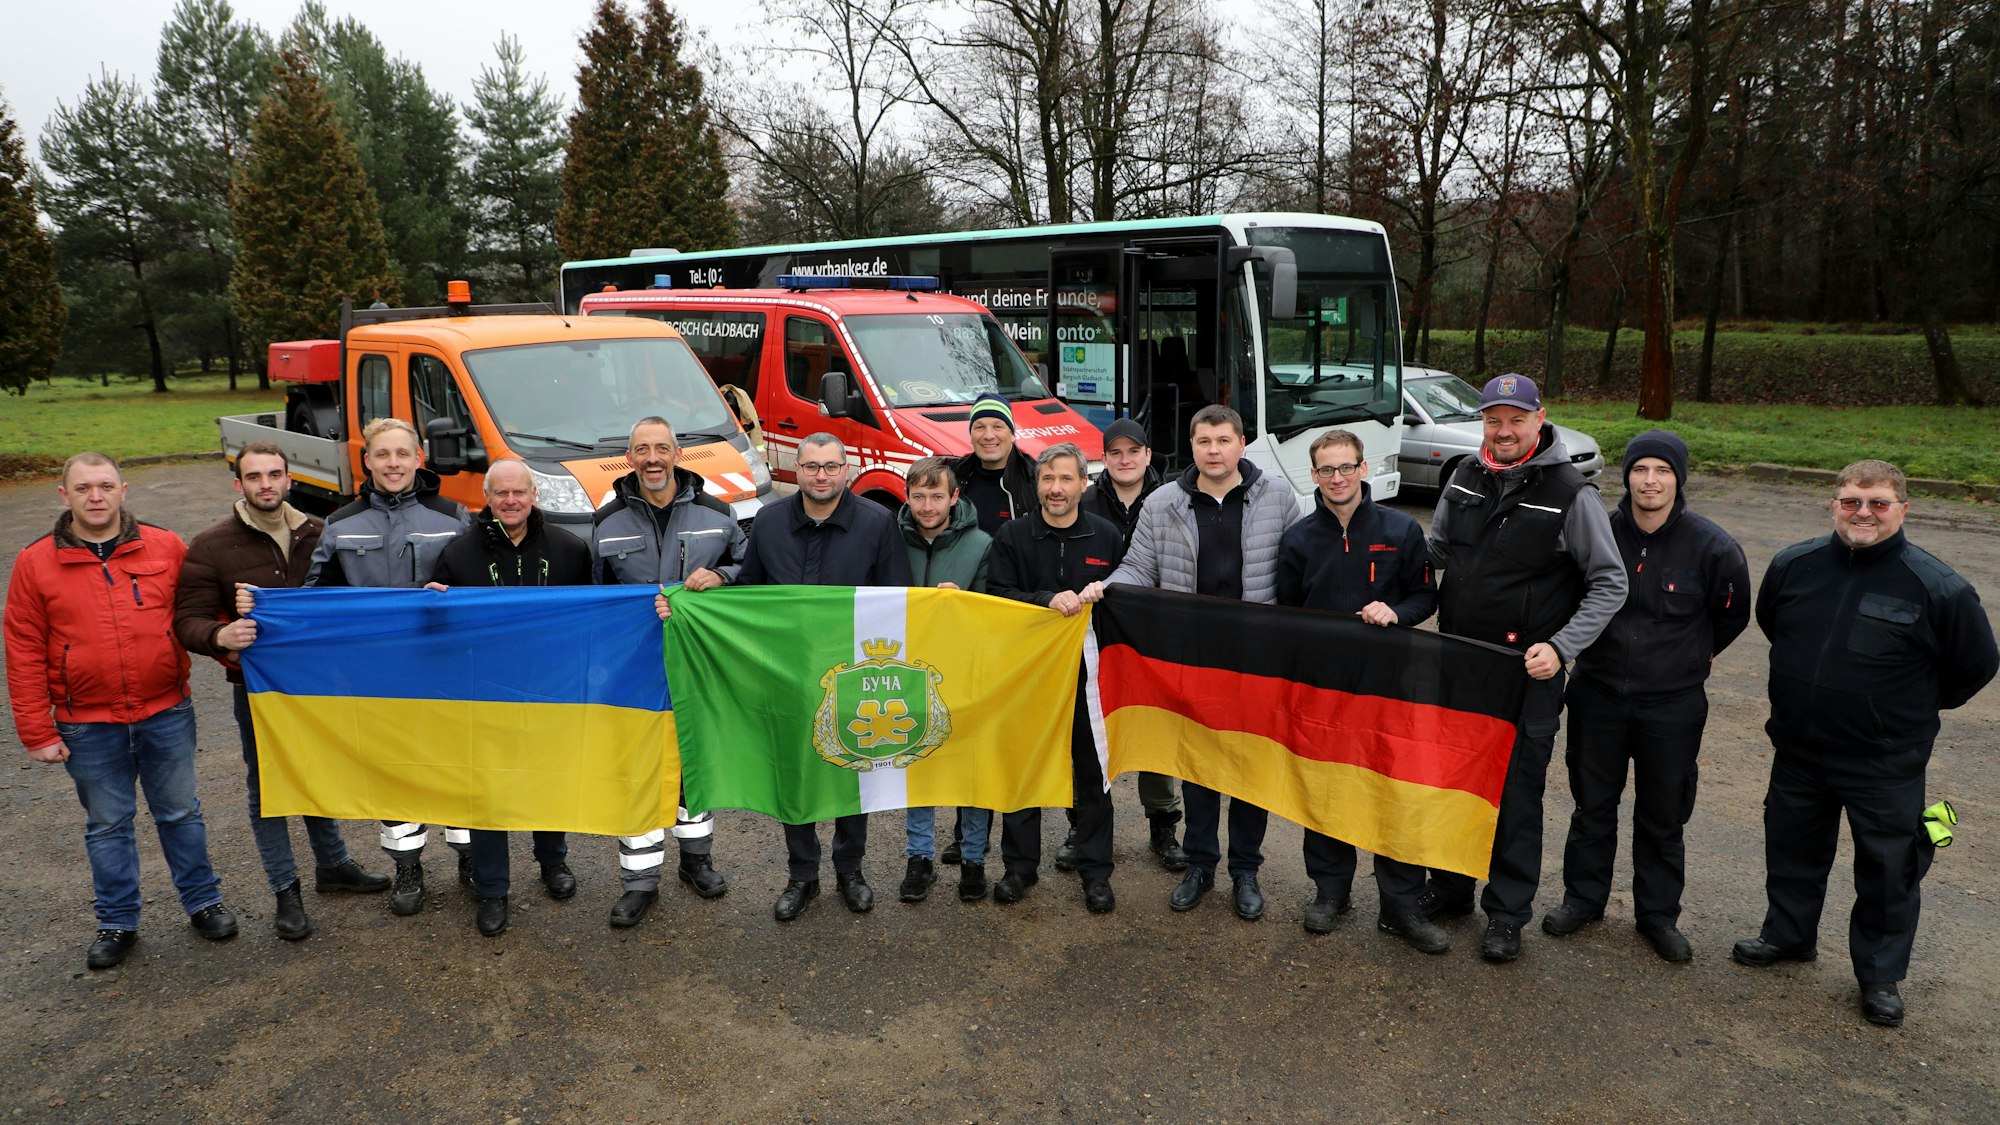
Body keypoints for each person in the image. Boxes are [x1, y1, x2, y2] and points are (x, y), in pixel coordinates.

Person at [1734, 460, 1997, 1027]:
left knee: (1888, 868)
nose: (1864, 513)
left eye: (1878, 503)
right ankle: (1789, 935)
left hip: (1885, 759)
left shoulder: (1938, 587)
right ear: (1833, 504)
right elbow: (1774, 624)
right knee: (1792, 849)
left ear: (1903, 509)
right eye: (1852, 500)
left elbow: (1976, 665)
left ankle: (1878, 975)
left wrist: (1899, 711)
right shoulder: (1793, 566)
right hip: (1800, 749)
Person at [1423, 374, 1627, 962]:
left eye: (1516, 419)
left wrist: (1562, 648)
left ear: (1540, 419)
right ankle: (1453, 887)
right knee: (1456, 783)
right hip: (1459, 663)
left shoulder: (1571, 492)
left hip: (1527, 673)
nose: (1504, 430)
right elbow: (1435, 554)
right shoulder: (1462, 476)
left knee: (1515, 795)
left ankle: (1507, 912)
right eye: (1494, 419)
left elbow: (1609, 581)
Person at [6, 452, 237, 971]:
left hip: (165, 711)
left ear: (123, 490)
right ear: (63, 496)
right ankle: (117, 921)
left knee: (181, 813)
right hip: (87, 722)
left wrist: (230, 646)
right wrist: (36, 729)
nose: (96, 496)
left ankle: (203, 903)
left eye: (105, 486)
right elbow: (21, 648)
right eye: (83, 488)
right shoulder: (35, 562)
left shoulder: (166, 546)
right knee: (108, 824)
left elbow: (198, 611)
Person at [1086, 405, 1298, 921]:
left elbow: (1300, 564)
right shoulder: (1164, 503)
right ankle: (1201, 865)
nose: (1214, 450)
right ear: (1192, 446)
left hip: (1255, 660)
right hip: (1193, 659)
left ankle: (1245, 870)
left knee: (1250, 767)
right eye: (1204, 441)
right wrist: (1105, 587)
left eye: (1224, 440)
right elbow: (1138, 565)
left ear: (1242, 443)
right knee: (1199, 766)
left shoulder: (1278, 496)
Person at [1546, 431, 1751, 963]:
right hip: (1599, 694)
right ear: (1627, 476)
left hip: (1672, 705)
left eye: (1662, 470)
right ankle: (1583, 900)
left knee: (1663, 814)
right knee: (1593, 806)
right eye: (1641, 470)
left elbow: (1732, 614)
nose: (1651, 481)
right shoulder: (1600, 531)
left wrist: (1693, 655)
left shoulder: (1712, 546)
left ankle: (1657, 916)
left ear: (1678, 478)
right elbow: (1567, 595)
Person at [174, 442, 389, 942]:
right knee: (268, 786)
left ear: (289, 479)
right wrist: (219, 636)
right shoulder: (211, 546)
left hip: (320, 686)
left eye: (274, 475)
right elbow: (188, 620)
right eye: (254, 477)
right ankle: (284, 889)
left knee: (317, 772)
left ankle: (333, 864)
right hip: (258, 690)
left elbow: (350, 599)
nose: (265, 484)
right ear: (239, 484)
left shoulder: (323, 532)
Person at [722, 433, 912, 921]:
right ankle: (801, 875)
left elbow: (897, 601)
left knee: (851, 772)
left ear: (846, 470)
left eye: (830, 467)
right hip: (785, 672)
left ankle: (851, 870)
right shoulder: (768, 522)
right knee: (794, 774)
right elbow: (750, 594)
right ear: (797, 470)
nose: (821, 476)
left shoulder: (878, 523)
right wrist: (710, 587)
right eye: (811, 467)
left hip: (852, 674)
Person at [1274, 430, 1439, 946]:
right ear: (1314, 476)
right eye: (1326, 470)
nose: (1337, 478)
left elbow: (1425, 597)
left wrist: (1398, 611)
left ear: (1364, 469)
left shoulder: (1402, 530)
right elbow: (1287, 614)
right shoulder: (1299, 539)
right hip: (1325, 690)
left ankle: (1401, 904)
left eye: (1346, 467)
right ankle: (1331, 891)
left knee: (1394, 790)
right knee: (1328, 789)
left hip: (1390, 685)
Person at [302, 417, 472, 916]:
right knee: (394, 770)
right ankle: (408, 866)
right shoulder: (341, 523)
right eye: (383, 455)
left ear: (419, 458)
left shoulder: (454, 514)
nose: (393, 464)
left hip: (443, 668)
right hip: (377, 675)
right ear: (367, 461)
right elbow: (317, 597)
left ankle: (468, 858)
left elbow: (475, 589)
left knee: (454, 763)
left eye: (402, 454)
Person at [426, 459, 593, 937]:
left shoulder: (569, 549)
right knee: (490, 792)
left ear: (534, 494)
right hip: (486, 695)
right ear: (488, 498)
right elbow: (438, 628)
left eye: (519, 492)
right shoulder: (458, 555)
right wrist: (433, 603)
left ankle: (552, 863)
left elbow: (592, 617)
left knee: (548, 780)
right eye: (501, 494)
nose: (511, 501)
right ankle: (492, 887)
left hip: (551, 691)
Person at [590, 416, 744, 927]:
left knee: (692, 763)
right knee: (638, 770)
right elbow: (594, 598)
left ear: (677, 454)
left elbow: (751, 572)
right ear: (629, 458)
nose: (652, 458)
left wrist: (722, 575)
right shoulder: (606, 522)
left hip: (699, 665)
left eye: (661, 448)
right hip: (634, 669)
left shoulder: (718, 515)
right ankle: (639, 882)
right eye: (641, 449)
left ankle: (696, 862)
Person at [988, 443, 1127, 913]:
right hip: (1028, 677)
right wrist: (1045, 598)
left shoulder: (1107, 536)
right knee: (1024, 772)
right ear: (1037, 485)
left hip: (1089, 677)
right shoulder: (1012, 536)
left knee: (1092, 776)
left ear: (1083, 485)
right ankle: (1018, 869)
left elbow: (1125, 596)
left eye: (1066, 479)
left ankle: (1096, 872)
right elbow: (998, 596)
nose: (1056, 489)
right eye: (1048, 480)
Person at [1079, 418, 1184, 872]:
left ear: (1147, 454)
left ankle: (1162, 824)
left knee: (1152, 731)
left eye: (1133, 451)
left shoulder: (1173, 501)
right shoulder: (1082, 502)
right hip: (1093, 635)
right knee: (1088, 733)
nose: (1125, 460)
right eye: (1115, 453)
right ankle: (1080, 824)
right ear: (1104, 458)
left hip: (1152, 635)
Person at [894, 456, 995, 904]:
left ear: (955, 497)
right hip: (909, 671)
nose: (928, 505)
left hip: (966, 671)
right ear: (907, 496)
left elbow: (996, 606)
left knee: (969, 764)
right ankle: (920, 856)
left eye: (937, 495)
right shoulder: (891, 540)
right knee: (917, 761)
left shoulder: (982, 544)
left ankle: (974, 857)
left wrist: (966, 603)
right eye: (919, 496)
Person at [951, 392, 1036, 535]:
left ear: (1012, 435)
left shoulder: (1035, 478)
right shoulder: (954, 475)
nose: (988, 436)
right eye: (979, 427)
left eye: (997, 427)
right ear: (970, 436)